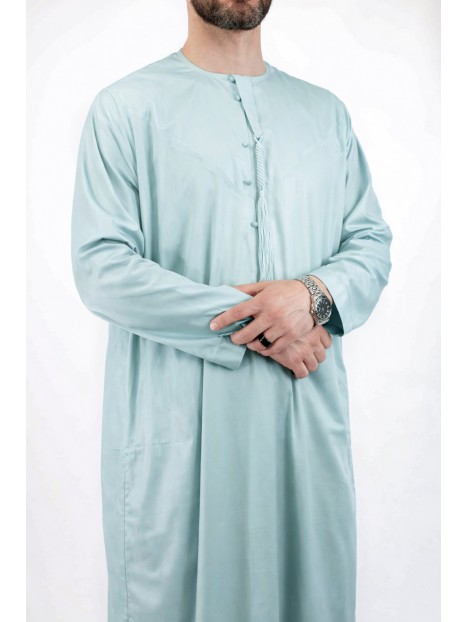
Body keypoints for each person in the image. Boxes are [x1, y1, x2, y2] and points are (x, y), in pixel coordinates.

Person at [70, 1, 393, 620]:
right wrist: (270, 322)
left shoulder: (325, 115)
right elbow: (102, 267)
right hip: (180, 436)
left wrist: (312, 296)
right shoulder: (127, 109)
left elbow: (370, 243)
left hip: (304, 435)